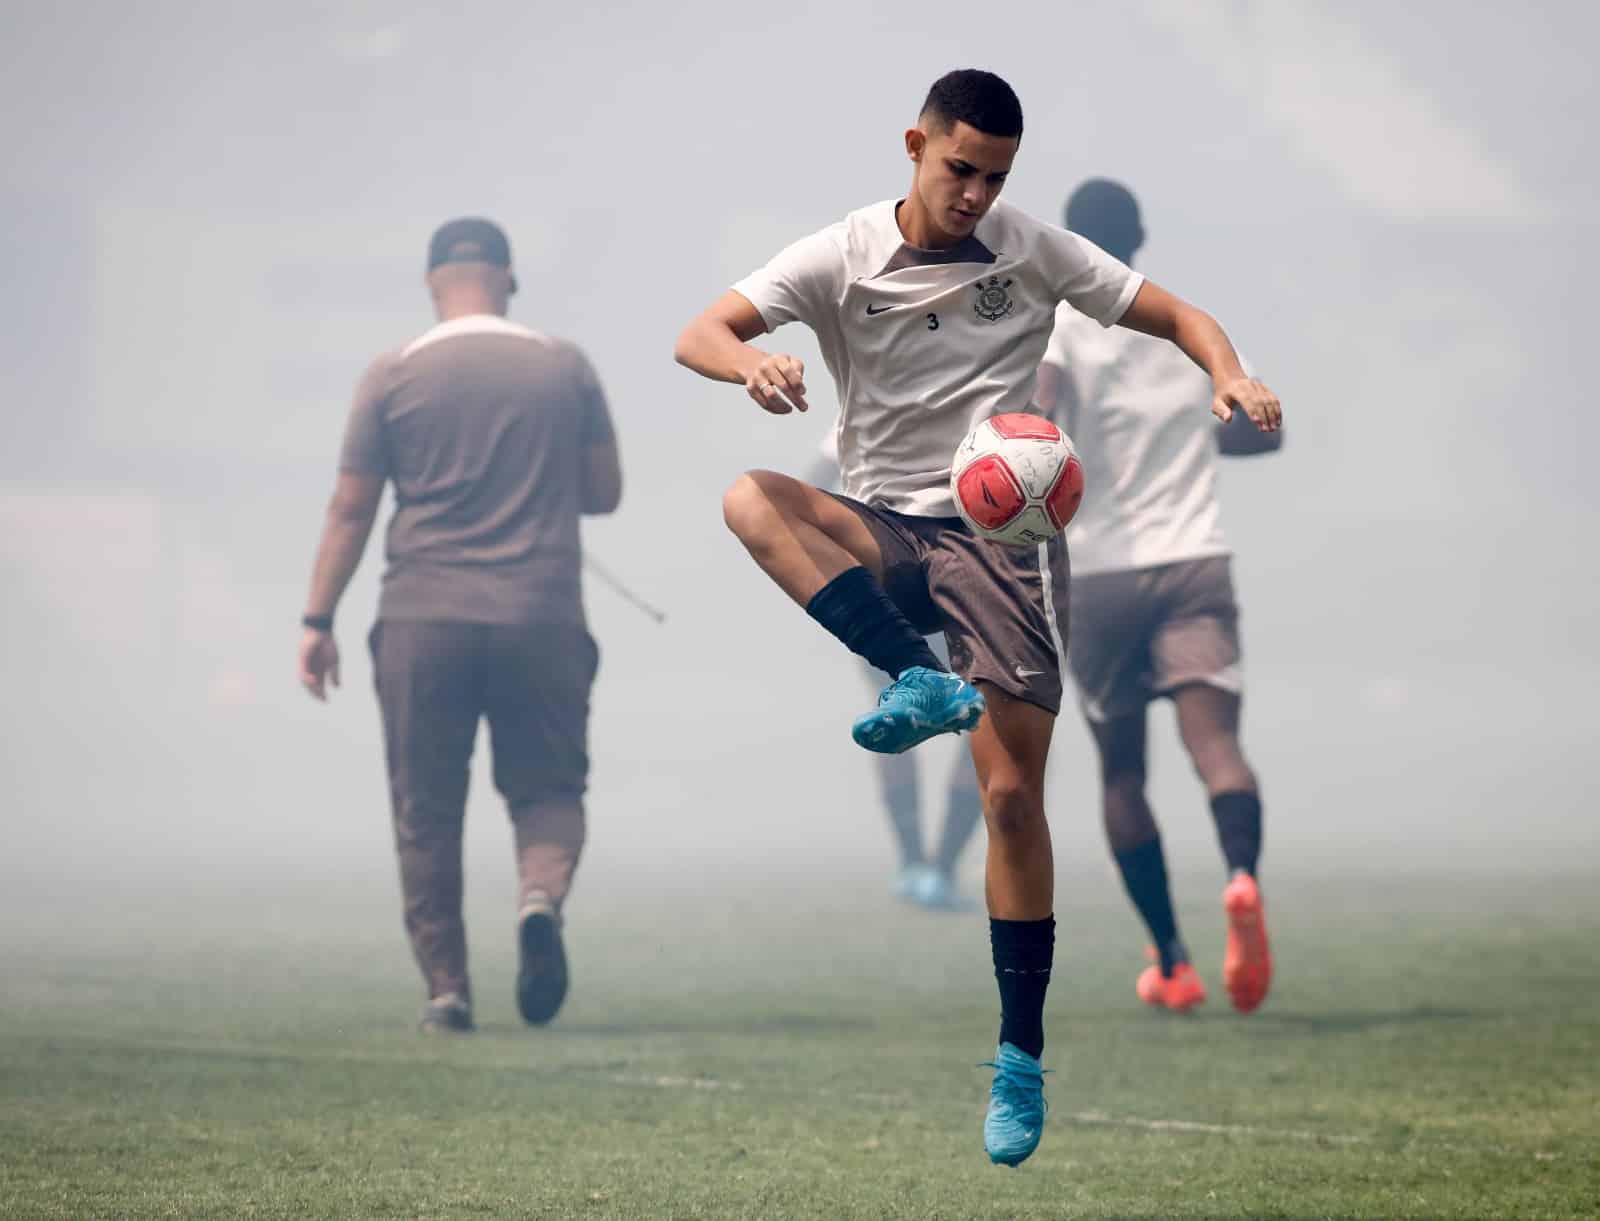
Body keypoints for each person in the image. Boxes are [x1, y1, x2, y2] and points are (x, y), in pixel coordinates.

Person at [673, 71, 1280, 1165]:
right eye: (959, 169)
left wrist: (1229, 374)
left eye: (995, 176)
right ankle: (916, 676)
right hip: (884, 529)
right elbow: (699, 331)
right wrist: (752, 360)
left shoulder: (1033, 250)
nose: (974, 194)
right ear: (915, 144)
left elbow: (1177, 314)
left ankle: (1018, 1058)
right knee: (746, 498)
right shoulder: (838, 254)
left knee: (1009, 799)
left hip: (1002, 550)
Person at [296, 217, 622, 1034]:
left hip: (422, 617)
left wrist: (317, 617)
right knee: (547, 787)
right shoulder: (562, 365)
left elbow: (350, 508)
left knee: (426, 809)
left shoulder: (390, 374)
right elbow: (603, 491)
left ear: (434, 283)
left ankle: (448, 990)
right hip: (540, 613)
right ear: (508, 277)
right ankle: (539, 895)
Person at [1037, 179, 1282, 1016]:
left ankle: (1173, 959)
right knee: (1215, 746)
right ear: (1141, 237)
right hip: (1196, 561)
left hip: (1101, 574)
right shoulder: (1190, 324)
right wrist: (1188, 442)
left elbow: (1039, 414)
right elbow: (1255, 429)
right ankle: (1242, 879)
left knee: (1122, 770)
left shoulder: (1062, 326)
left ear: (1070, 245)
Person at [807, 433, 982, 912]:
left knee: (902, 706)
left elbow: (813, 487)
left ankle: (918, 866)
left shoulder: (860, 417)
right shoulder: (979, 405)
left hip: (892, 588)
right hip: (963, 586)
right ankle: (934, 868)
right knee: (979, 719)